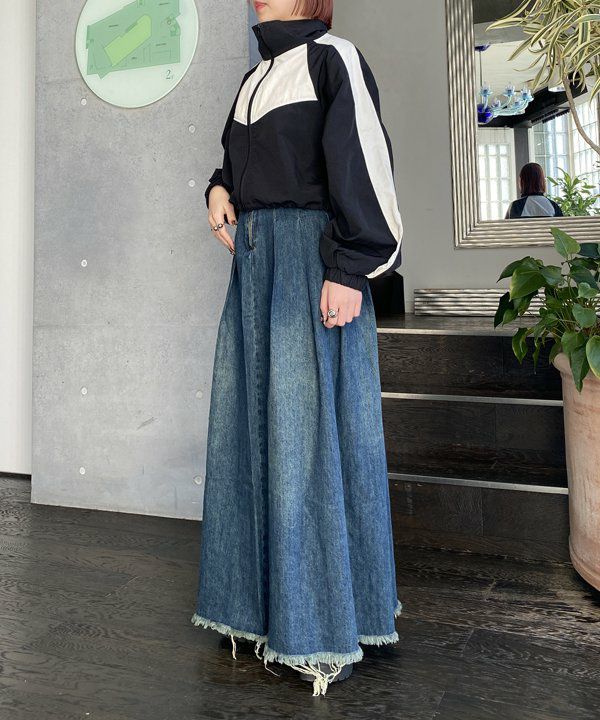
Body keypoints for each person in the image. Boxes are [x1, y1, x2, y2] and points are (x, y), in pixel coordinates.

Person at [191, 0, 403, 697]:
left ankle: (322, 623)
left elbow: (366, 163)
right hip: (256, 267)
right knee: (250, 435)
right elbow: (236, 165)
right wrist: (218, 190)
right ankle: (256, 613)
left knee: (308, 440)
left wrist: (352, 267)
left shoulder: (330, 58)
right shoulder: (255, 77)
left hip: (312, 264)